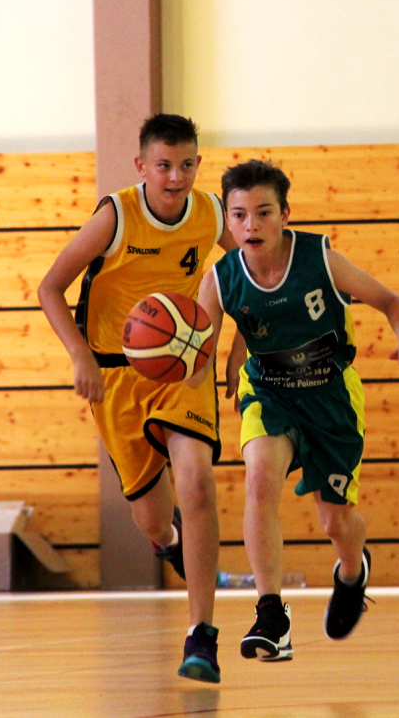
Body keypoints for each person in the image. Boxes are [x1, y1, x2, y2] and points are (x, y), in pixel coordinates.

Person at [190, 159, 399, 662]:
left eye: (263, 212)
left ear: (285, 215)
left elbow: (390, 301)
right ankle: (271, 614)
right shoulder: (219, 279)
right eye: (239, 215)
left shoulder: (319, 258)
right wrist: (173, 365)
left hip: (330, 396)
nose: (251, 225)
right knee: (259, 481)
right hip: (269, 391)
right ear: (228, 221)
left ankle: (352, 572)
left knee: (336, 522)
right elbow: (199, 356)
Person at [37, 114, 235, 683]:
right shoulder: (116, 216)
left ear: (198, 164)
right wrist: (80, 357)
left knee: (195, 480)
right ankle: (168, 542)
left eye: (187, 165)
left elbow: (247, 269)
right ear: (141, 165)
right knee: (150, 517)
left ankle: (202, 636)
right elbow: (50, 287)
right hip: (116, 376)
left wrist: (236, 346)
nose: (176, 177)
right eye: (164, 165)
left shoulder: (211, 213)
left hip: (183, 367)